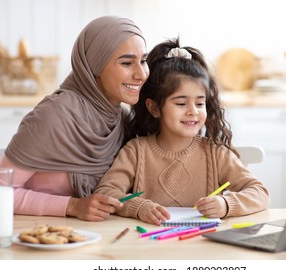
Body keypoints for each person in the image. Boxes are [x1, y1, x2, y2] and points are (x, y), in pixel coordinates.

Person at [93, 38, 269, 225]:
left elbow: (260, 193)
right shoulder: (136, 151)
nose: (193, 111)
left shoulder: (216, 153)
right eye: (181, 103)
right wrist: (139, 207)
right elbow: (105, 193)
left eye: (200, 103)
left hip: (203, 244)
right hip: (149, 244)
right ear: (154, 108)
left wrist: (226, 204)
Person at [0, 16, 150, 221]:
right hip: (37, 235)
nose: (141, 74)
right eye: (127, 63)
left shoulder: (120, 120)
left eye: (143, 61)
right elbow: (0, 193)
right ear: (94, 66)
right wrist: (72, 206)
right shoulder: (54, 115)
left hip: (94, 236)